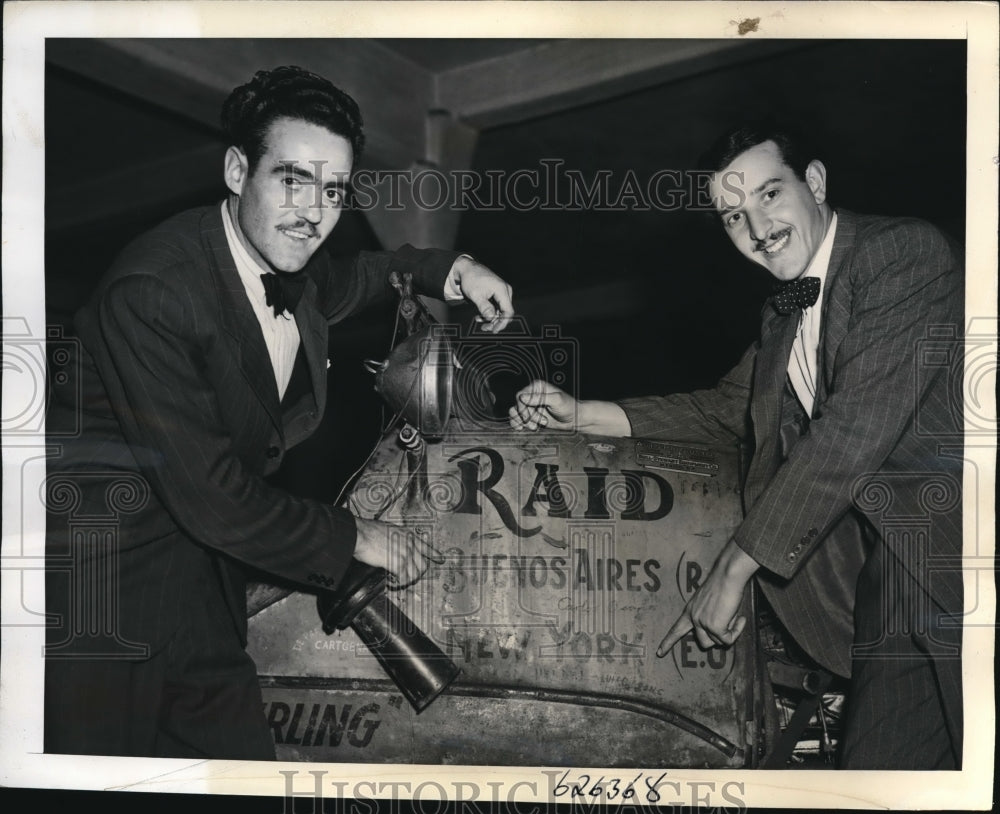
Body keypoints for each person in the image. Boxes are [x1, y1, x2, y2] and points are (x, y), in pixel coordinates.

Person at [44, 66, 514, 760]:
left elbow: (366, 273)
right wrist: (356, 536)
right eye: (292, 180)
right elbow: (217, 500)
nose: (314, 213)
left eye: (333, 191)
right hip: (98, 609)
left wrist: (455, 269)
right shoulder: (152, 294)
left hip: (202, 590)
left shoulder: (292, 269)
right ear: (238, 170)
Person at [509, 120, 964, 769]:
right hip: (896, 591)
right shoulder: (785, 315)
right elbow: (727, 410)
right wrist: (581, 414)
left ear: (814, 181)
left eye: (769, 195)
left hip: (961, 567)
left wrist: (734, 566)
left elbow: (849, 436)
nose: (755, 227)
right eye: (732, 215)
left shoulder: (901, 255)